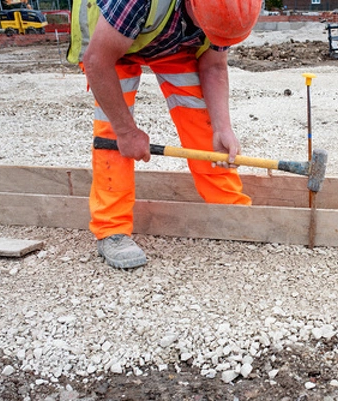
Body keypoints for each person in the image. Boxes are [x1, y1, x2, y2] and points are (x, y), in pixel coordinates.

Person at [67, 0, 261, 269]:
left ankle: (229, 208)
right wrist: (127, 132)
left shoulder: (228, 8)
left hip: (171, 41)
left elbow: (214, 65)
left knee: (203, 125)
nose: (214, 38)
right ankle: (111, 229)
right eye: (210, 29)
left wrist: (222, 127)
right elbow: (97, 61)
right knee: (113, 133)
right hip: (109, 44)